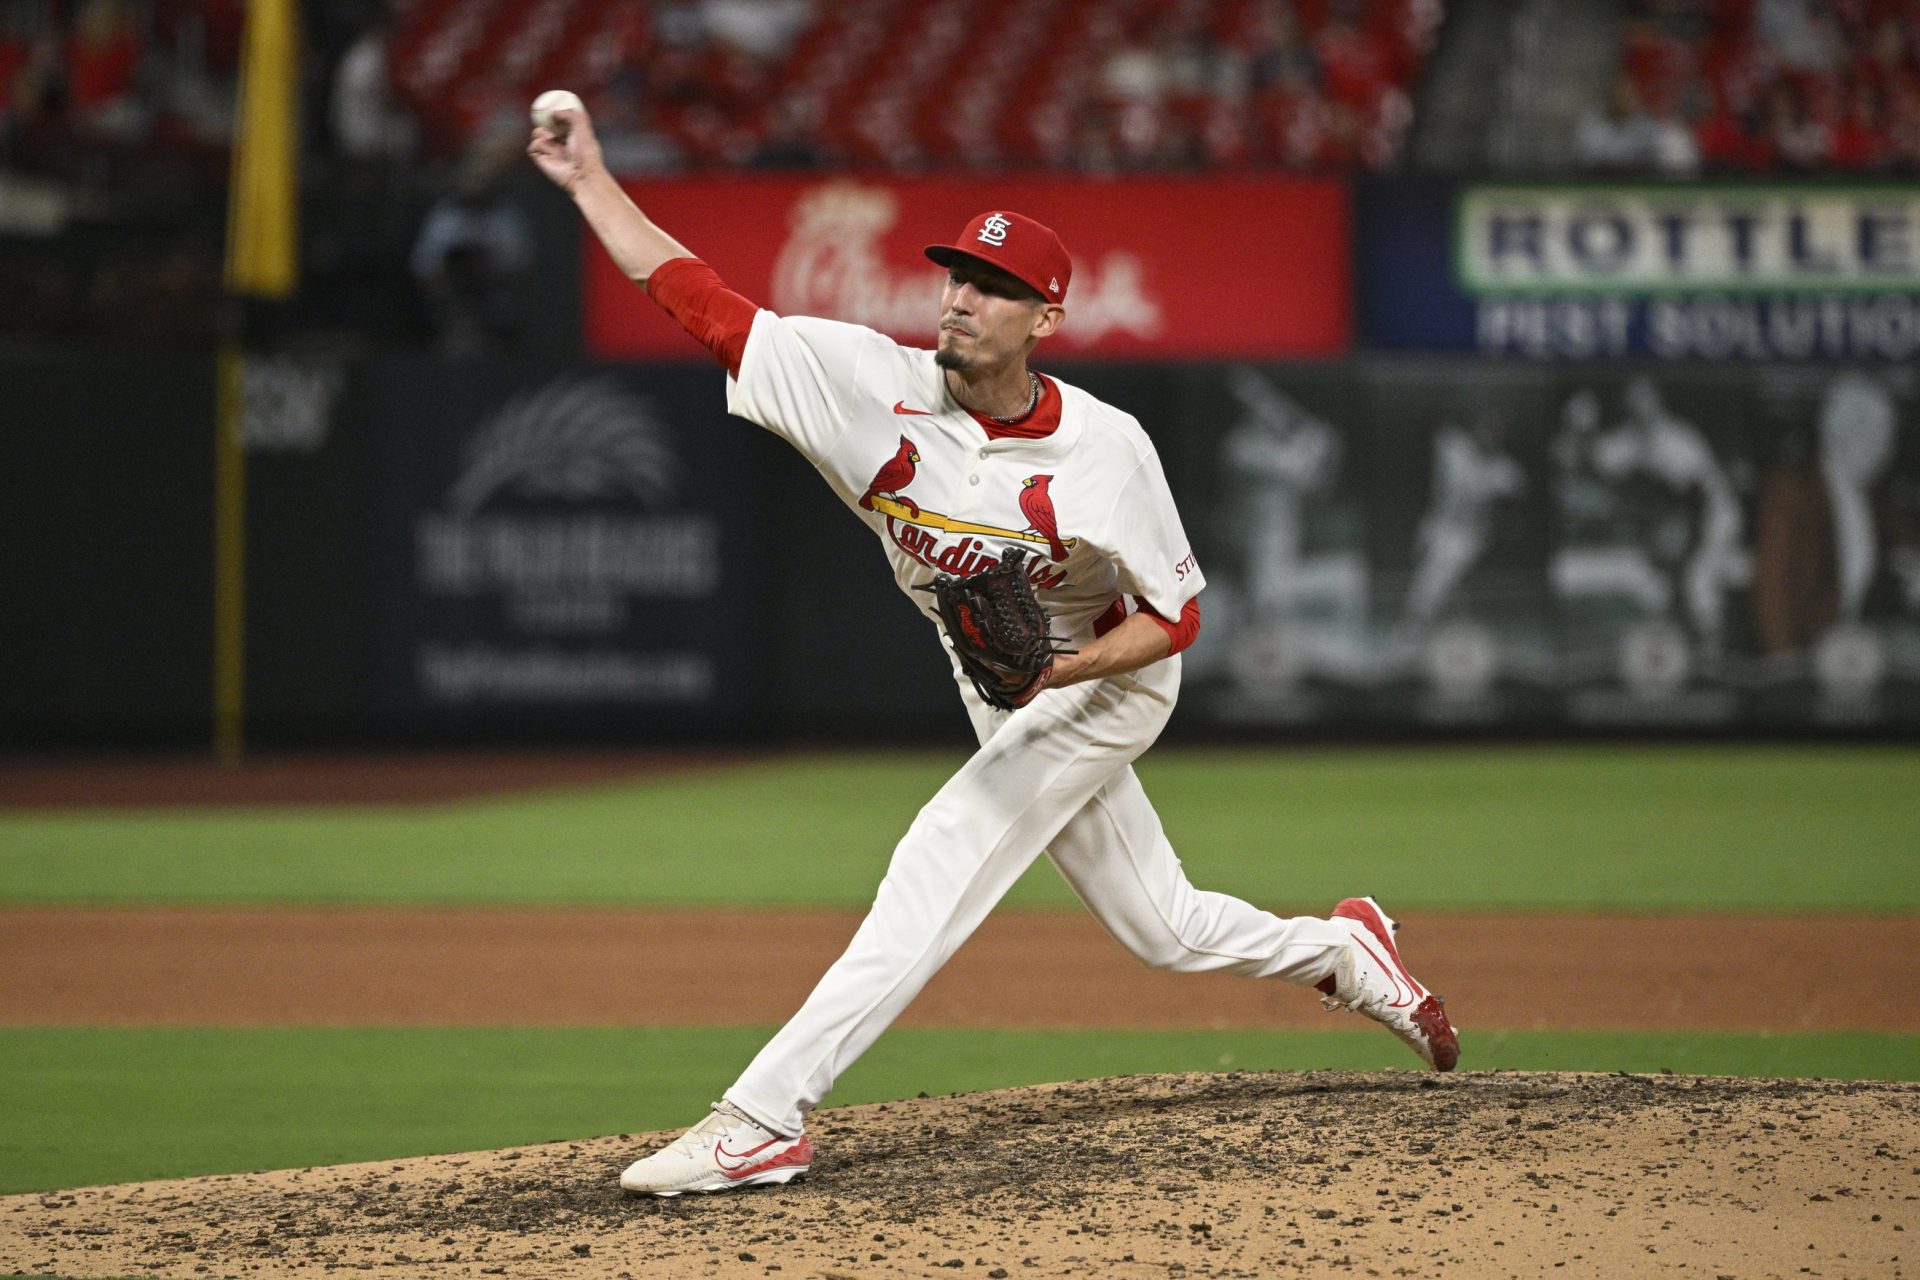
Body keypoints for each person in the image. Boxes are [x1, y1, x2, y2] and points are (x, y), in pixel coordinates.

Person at [526, 98, 1459, 1198]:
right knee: (1163, 926)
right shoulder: (861, 381)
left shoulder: (1108, 449)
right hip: (1002, 683)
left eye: (996, 287)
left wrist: (1059, 673)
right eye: (958, 276)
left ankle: (763, 1116)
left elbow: (1181, 619)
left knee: (940, 855)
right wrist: (590, 181)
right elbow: (703, 304)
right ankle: (1347, 951)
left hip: (1106, 679)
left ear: (1046, 316)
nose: (964, 299)